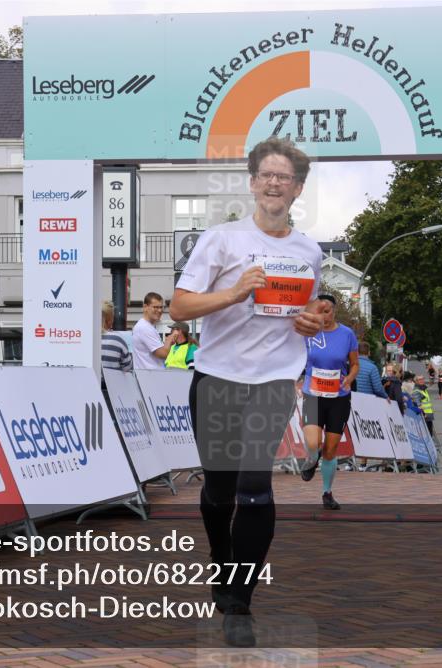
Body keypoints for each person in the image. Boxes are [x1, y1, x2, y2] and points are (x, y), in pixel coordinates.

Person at [169, 137, 323, 647]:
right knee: (218, 491)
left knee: (255, 487)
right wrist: (236, 291)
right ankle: (221, 557)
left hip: (274, 381)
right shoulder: (220, 240)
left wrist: (310, 322)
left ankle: (239, 600)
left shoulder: (309, 252)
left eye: (286, 177)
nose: (275, 183)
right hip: (217, 377)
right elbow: (179, 309)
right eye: (267, 175)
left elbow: (311, 313)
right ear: (253, 182)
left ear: (298, 189)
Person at [300, 294, 359, 511]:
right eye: (319, 311)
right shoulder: (307, 333)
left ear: (334, 311)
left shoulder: (346, 334)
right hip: (313, 394)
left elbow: (354, 364)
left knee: (331, 449)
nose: (323, 316)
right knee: (314, 443)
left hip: (338, 398)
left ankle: (327, 492)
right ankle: (311, 457)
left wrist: (350, 378)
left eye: (327, 311)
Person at [131, 292, 175, 370]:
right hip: (150, 378)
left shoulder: (146, 326)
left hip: (150, 377)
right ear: (145, 307)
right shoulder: (145, 328)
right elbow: (163, 354)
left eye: (161, 307)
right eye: (155, 307)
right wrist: (169, 340)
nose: (159, 310)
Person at [100, 301, 132, 372]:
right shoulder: (117, 339)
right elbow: (127, 366)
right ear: (110, 321)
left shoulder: (87, 338)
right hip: (113, 382)